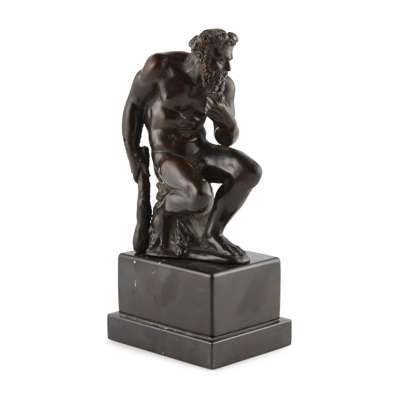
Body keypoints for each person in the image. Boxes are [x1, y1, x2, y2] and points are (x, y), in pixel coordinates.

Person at [122, 29, 262, 264]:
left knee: (249, 171)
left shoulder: (223, 86)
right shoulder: (162, 67)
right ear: (202, 56)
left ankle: (212, 236)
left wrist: (227, 122)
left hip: (199, 149)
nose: (228, 68)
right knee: (199, 196)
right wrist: (133, 154)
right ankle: (165, 211)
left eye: (229, 60)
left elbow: (226, 139)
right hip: (167, 155)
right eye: (221, 60)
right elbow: (133, 106)